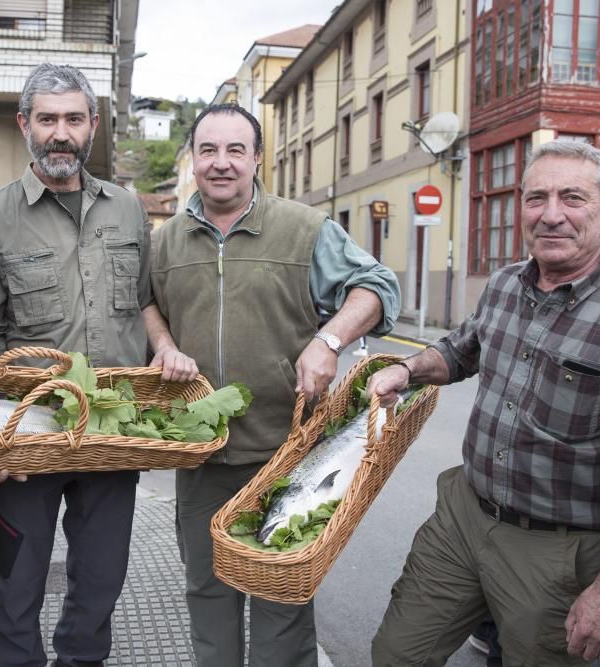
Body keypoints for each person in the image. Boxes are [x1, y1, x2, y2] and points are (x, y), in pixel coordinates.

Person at [367, 140, 600, 666]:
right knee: (395, 654)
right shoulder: (504, 284)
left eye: (572, 198)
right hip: (464, 518)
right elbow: (461, 350)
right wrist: (406, 369)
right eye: (535, 198)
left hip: (560, 551)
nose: (551, 215)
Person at [143, 103, 401, 666]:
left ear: (258, 158)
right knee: (207, 594)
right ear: (192, 159)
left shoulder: (304, 230)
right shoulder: (164, 244)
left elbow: (378, 288)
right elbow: (146, 305)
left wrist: (328, 341)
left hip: (288, 458)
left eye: (236, 150)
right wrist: (163, 344)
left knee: (281, 602)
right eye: (208, 150)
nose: (221, 163)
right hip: (201, 457)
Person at [0, 63, 154, 667]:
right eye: (47, 119)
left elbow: (146, 306)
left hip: (112, 432)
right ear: (25, 125)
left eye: (74, 118)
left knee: (100, 585)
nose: (60, 133)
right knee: (17, 588)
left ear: (93, 125)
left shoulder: (128, 210)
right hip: (30, 435)